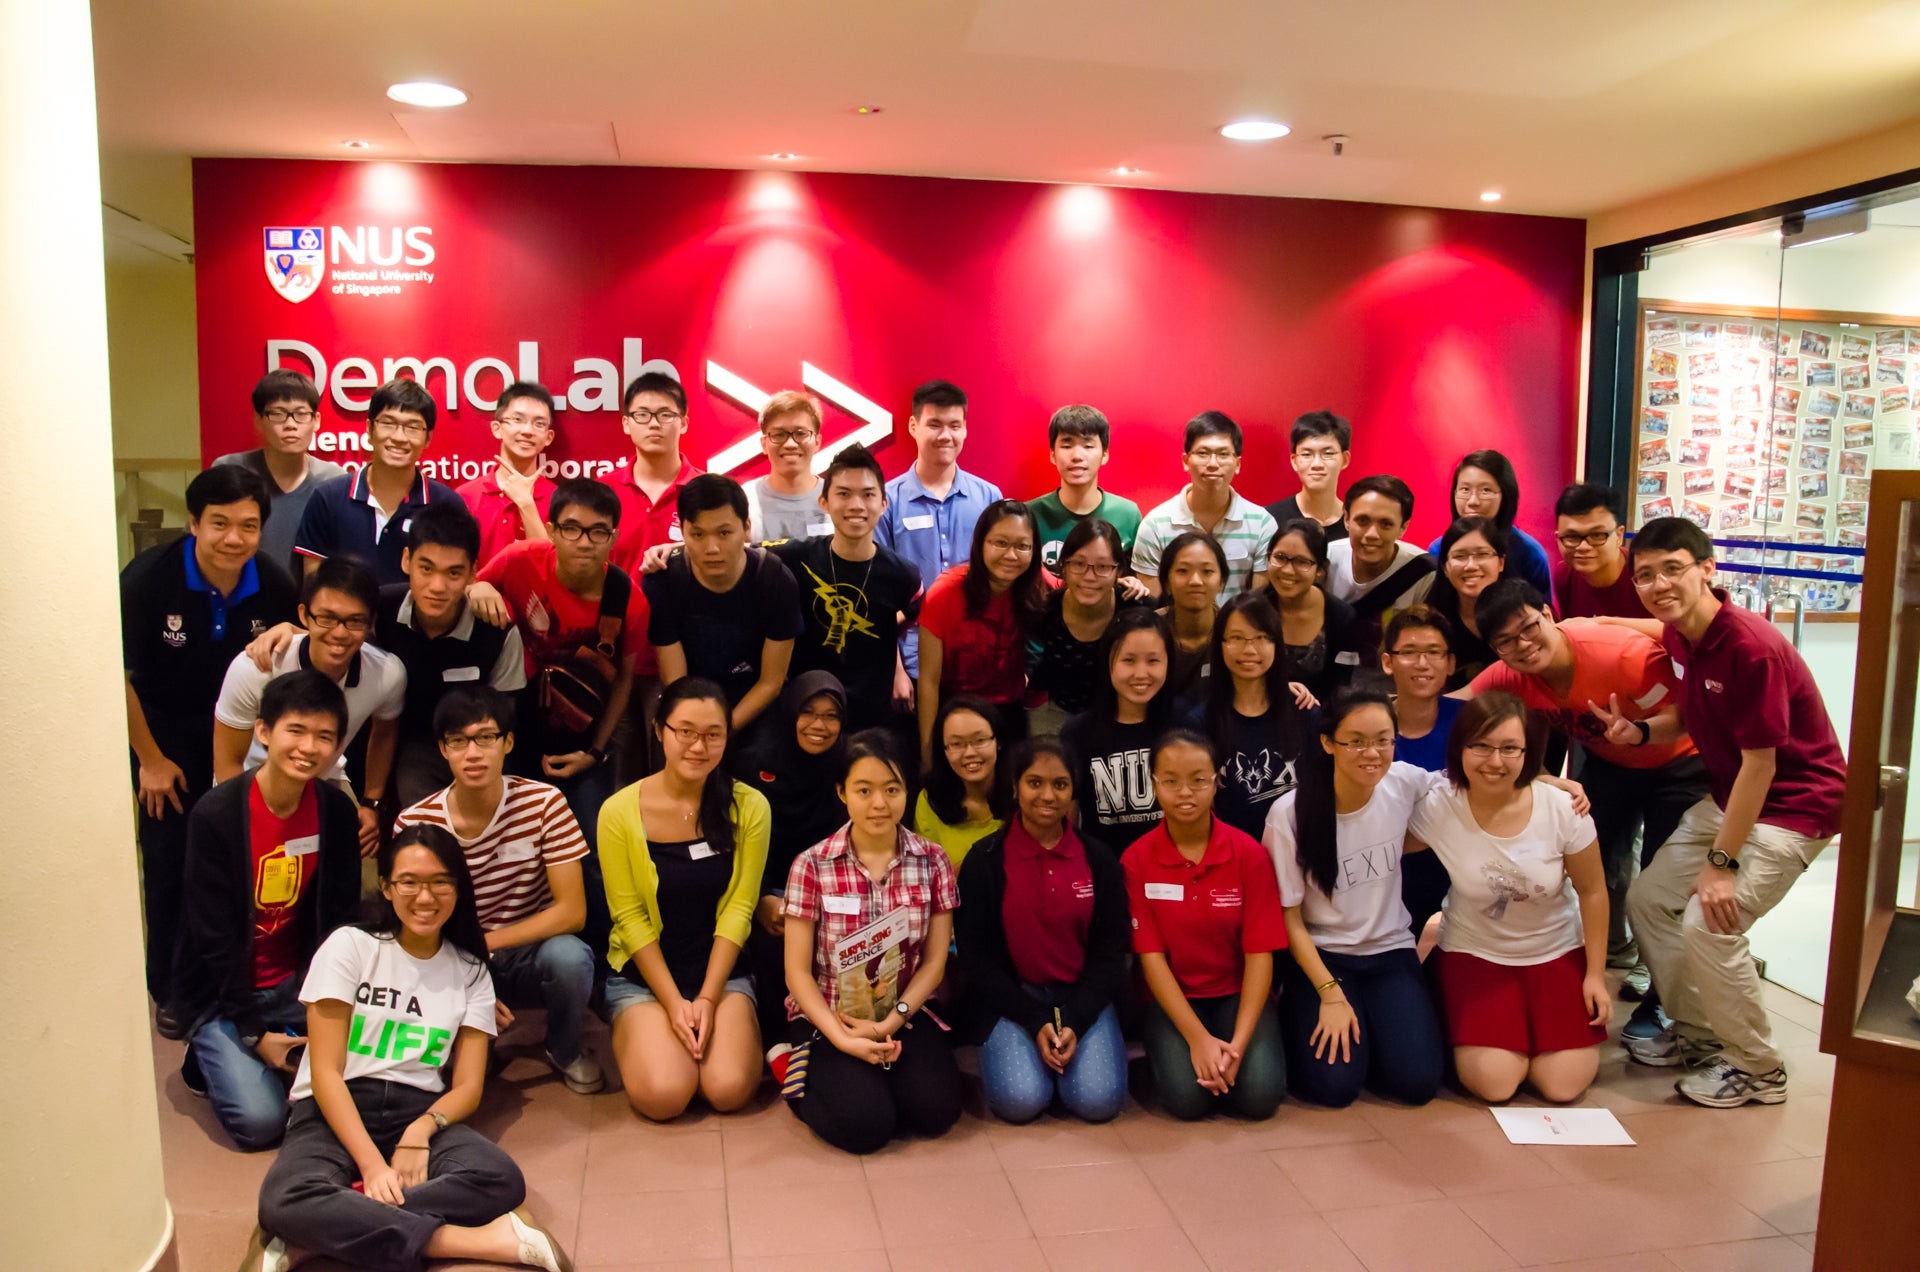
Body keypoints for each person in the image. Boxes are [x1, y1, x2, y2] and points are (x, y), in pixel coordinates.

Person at [248, 826, 571, 1272]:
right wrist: (372, 1165)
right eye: (409, 882)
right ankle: (469, 1241)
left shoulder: (471, 970)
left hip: (416, 1108)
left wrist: (419, 1132)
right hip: (333, 1106)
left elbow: (468, 1087)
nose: (425, 897)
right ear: (386, 887)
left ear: (459, 887)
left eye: (441, 881)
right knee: (283, 1198)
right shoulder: (350, 946)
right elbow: (324, 1072)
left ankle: (320, 1234)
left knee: (499, 1179)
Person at [1621, 517, 1846, 1107]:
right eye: (1646, 574)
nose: (1659, 583)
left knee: (1708, 922)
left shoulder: (1752, 647)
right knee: (1647, 900)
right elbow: (1696, 715)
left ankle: (1758, 1067)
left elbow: (1762, 766)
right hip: (1732, 798)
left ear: (1707, 569)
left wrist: (1721, 863)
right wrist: (1640, 730)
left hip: (1794, 807)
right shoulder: (1682, 637)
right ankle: (1699, 1035)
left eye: (1673, 568)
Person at [1466, 579, 1707, 1018]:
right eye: (1505, 642)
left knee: (1660, 889)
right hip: (1609, 766)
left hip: (1680, 767)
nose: (1522, 645)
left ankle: (1667, 1006)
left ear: (1547, 613)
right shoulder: (1512, 673)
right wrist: (1538, 777)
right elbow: (1458, 707)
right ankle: (1591, 971)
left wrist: (1640, 733)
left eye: (1528, 628)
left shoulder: (1622, 655)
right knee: (1586, 868)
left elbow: (1685, 717)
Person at [123, 463, 298, 1008]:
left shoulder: (271, 580)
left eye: (247, 526)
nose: (233, 539)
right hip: (165, 740)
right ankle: (172, 992)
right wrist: (149, 759)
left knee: (242, 864)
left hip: (246, 740)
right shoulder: (147, 579)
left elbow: (299, 643)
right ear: (194, 522)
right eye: (219, 524)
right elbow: (116, 677)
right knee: (171, 866)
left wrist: (292, 628)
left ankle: (237, 983)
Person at [165, 671, 363, 1147]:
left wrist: (333, 998)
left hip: (297, 985)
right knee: (262, 1125)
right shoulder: (217, 815)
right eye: (296, 730)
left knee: (375, 1084)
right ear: (263, 732)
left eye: (324, 737)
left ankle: (262, 1049)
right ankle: (212, 1048)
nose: (309, 747)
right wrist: (254, 1033)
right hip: (224, 993)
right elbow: (211, 936)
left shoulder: (335, 812)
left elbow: (341, 919)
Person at [393, 687, 602, 1096]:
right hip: (456, 953)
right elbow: (414, 921)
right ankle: (471, 1044)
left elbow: (572, 912)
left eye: (486, 738)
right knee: (461, 1075)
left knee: (572, 958)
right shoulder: (417, 823)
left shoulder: (544, 803)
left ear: (507, 742)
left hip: (528, 948)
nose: (473, 753)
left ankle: (563, 1048)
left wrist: (488, 942)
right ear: (443, 749)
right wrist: (468, 967)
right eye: (459, 740)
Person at [1409, 693, 1610, 1103]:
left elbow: (1593, 892)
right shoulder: (1440, 804)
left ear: (1528, 752)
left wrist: (1595, 975)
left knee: (1563, 1085)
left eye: (1509, 749)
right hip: (1475, 954)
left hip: (1555, 950)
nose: (1494, 761)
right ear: (1459, 748)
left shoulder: (1562, 808)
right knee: (1495, 1084)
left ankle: (1526, 1032)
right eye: (1480, 746)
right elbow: (1381, 834)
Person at [781, 731, 964, 1155]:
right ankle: (795, 1071)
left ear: (907, 791)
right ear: (842, 792)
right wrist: (843, 1038)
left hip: (905, 1009)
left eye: (892, 789)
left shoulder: (932, 861)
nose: (879, 803)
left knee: (936, 1113)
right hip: (830, 1016)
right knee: (866, 1128)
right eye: (864, 790)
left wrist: (889, 1023)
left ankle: (876, 1077)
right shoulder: (812, 865)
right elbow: (796, 972)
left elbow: (935, 963)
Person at [598, 677, 770, 1120]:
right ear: (659, 730)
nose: (699, 746)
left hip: (720, 975)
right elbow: (629, 917)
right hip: (644, 976)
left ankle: (713, 1035)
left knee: (729, 1090)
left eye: (713, 734)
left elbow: (739, 908)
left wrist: (708, 999)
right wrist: (675, 1004)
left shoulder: (750, 807)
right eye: (685, 731)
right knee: (665, 1096)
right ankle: (645, 1033)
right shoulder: (618, 811)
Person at [1263, 690, 1444, 1107]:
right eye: (1356, 741)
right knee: (1335, 1088)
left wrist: (1543, 779)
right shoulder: (1289, 814)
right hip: (1324, 956)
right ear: (1328, 743)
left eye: (1384, 739)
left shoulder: (1402, 782)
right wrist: (1329, 992)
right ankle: (1304, 1015)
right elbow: (1289, 919)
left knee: (1416, 1084)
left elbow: (1467, 782)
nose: (1372, 753)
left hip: (1390, 952)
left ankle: (1380, 1029)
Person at [958, 738, 1131, 1124]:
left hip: (1081, 997)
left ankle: (1066, 1060)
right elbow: (977, 958)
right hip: (1013, 998)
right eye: (1035, 783)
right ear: (1015, 787)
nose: (1047, 796)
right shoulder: (984, 862)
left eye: (1060, 784)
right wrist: (1035, 1019)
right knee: (1020, 1102)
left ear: (1073, 791)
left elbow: (1110, 953)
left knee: (1097, 1102)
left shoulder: (1099, 861)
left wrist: (1077, 1020)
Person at [469, 478, 648, 848]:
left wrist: (594, 753)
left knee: (592, 845)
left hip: (582, 730)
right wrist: (480, 586)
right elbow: (473, 586)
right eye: (572, 528)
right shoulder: (519, 559)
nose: (584, 542)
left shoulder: (629, 601)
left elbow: (624, 683)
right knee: (511, 838)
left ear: (613, 538)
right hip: (516, 718)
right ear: (551, 531)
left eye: (598, 532)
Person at [1124, 729, 1288, 1121]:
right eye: (1171, 780)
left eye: (1199, 780)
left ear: (1217, 781)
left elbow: (1259, 954)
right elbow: (1151, 960)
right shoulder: (1135, 860)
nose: (1185, 792)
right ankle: (1172, 1055)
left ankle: (1231, 1056)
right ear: (1154, 785)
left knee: (1261, 1098)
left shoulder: (1248, 853)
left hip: (1236, 991)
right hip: (1172, 997)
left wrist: (1239, 1043)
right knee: (1186, 1102)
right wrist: (1198, 1039)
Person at [212, 557, 407, 854]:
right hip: (250, 784)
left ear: (371, 623)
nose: (340, 634)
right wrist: (244, 822)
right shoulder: (256, 667)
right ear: (304, 614)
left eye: (355, 621)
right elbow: (228, 760)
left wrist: (371, 803)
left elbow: (384, 733)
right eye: (327, 618)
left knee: (341, 866)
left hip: (322, 780)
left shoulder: (386, 674)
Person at [767, 443, 922, 732]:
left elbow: (913, 618)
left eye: (868, 494)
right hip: (808, 713)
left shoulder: (903, 575)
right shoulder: (794, 557)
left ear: (883, 503)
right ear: (823, 502)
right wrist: (670, 549)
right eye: (843, 494)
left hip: (873, 716)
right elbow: (733, 549)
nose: (856, 505)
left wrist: (896, 664)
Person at [643, 473, 802, 744]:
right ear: (682, 532)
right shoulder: (663, 581)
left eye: (724, 533)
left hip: (755, 699)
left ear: (746, 528)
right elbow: (676, 681)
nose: (712, 548)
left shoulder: (776, 579)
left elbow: (771, 682)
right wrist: (698, 733)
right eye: (698, 534)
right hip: (690, 700)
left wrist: (720, 733)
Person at [738, 672, 850, 1044]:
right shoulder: (756, 761)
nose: (819, 725)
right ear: (790, 712)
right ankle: (779, 1041)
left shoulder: (850, 765)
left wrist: (816, 904)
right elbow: (739, 844)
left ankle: (831, 1031)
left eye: (831, 715)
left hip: (828, 891)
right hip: (766, 888)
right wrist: (758, 900)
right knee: (772, 943)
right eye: (809, 712)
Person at [876, 380, 1002, 681]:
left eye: (954, 425)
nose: (945, 435)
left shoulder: (989, 498)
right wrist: (895, 672)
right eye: (934, 424)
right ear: (913, 425)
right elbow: (877, 595)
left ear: (965, 429)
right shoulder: (886, 501)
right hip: (911, 662)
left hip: (977, 657)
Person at [294, 378, 463, 585]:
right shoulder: (328, 499)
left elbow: (458, 581)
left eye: (413, 427)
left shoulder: (447, 505)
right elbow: (313, 585)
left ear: (428, 437)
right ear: (369, 429)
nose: (399, 437)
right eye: (388, 423)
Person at [916, 498, 1049, 761]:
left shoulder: (1040, 587)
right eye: (1000, 543)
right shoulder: (944, 594)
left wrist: (1127, 586)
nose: (1011, 555)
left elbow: (1083, 592)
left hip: (1011, 713)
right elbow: (929, 682)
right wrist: (928, 752)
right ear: (980, 544)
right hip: (955, 711)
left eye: (1022, 546)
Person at [1379, 606, 1464, 937]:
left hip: (1454, 875)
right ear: (1388, 662)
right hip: (1379, 873)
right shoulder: (1366, 722)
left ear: (1451, 663)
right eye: (1409, 653)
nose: (1422, 663)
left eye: (1434, 653)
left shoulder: (1469, 723)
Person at [1131, 411, 1276, 600]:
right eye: (1203, 453)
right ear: (1186, 461)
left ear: (1237, 464)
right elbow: (1152, 608)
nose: (1213, 464)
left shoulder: (1262, 524)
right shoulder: (1155, 525)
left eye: (1223, 454)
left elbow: (1258, 604)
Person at [1200, 591, 1309, 839]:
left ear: (1276, 644)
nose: (1249, 649)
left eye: (1260, 637)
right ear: (1220, 644)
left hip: (1295, 854)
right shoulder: (1201, 722)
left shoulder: (1303, 711)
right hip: (1235, 859)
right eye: (1236, 638)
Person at [214, 369, 347, 573]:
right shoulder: (230, 471)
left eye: (301, 414)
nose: (290, 425)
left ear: (316, 420)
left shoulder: (333, 481)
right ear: (259, 420)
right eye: (277, 414)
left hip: (309, 600)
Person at [1062, 608, 1174, 848]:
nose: (1141, 674)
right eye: (1128, 660)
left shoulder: (1184, 726)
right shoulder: (1077, 733)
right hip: (1104, 873)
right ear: (1108, 662)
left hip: (1172, 874)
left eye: (1153, 660)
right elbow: (1068, 823)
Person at [1029, 518, 1146, 735]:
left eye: (1102, 567)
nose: (1089, 576)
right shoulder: (1047, 612)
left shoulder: (1134, 610)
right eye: (1079, 564)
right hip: (1057, 716)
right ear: (1063, 565)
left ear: (1118, 570)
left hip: (1120, 717)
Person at [1326, 475, 1434, 673]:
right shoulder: (1326, 559)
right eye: (1362, 521)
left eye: (1385, 524)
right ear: (1347, 519)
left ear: (1403, 527)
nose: (1371, 534)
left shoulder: (1423, 572)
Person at [1256, 518, 1361, 706]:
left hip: (1320, 719)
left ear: (1320, 569)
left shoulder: (1341, 617)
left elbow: (1341, 686)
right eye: (1280, 558)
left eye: (1301, 562)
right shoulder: (1249, 610)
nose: (1288, 570)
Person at [1025, 404, 1143, 569]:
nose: (1077, 456)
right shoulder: (1030, 515)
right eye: (1067, 446)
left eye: (1088, 446)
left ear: (1104, 455)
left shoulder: (1128, 515)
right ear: (1052, 454)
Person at [608, 370, 702, 575]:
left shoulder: (708, 490)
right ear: (626, 424)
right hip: (617, 608)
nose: (654, 423)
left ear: (684, 423)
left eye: (665, 415)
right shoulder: (603, 491)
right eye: (642, 415)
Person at [456, 381, 557, 568]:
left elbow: (552, 569)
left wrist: (526, 504)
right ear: (497, 428)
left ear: (549, 437)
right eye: (518, 420)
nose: (527, 431)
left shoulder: (559, 500)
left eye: (539, 423)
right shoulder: (465, 497)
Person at [1427, 449, 1552, 600]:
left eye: (1485, 490)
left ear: (1505, 495)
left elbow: (1543, 615)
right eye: (1465, 490)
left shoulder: (1529, 553)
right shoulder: (1438, 550)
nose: (1473, 501)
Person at [915, 695, 1008, 868]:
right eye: (956, 744)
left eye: (980, 740)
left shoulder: (1022, 793)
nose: (969, 752)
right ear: (943, 749)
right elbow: (925, 871)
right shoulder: (930, 800)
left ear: (998, 742)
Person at [1425, 516, 1509, 689]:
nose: (1471, 565)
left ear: (1501, 563)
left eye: (1482, 554)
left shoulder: (1524, 614)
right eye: (1460, 556)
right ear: (1445, 568)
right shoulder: (1431, 623)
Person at [742, 390, 831, 542]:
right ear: (764, 444)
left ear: (817, 442)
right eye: (779, 434)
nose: (790, 444)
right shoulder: (745, 498)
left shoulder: (836, 496)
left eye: (801, 433)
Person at [1551, 483, 1646, 621]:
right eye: (1572, 537)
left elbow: (1676, 628)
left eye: (1597, 535)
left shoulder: (1644, 573)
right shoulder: (1564, 576)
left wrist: (1602, 623)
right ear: (1558, 538)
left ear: (1619, 536)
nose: (1583, 547)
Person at [1159, 530, 1227, 713]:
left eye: (1207, 571)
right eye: (1183, 571)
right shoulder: (1148, 630)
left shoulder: (1235, 631)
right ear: (1166, 583)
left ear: (1222, 581)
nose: (1196, 581)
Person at [1263, 409, 1351, 542]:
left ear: (1344, 459)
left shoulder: (1356, 523)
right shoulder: (1270, 519)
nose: (1317, 464)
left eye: (1327, 454)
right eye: (1306, 454)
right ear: (1294, 461)